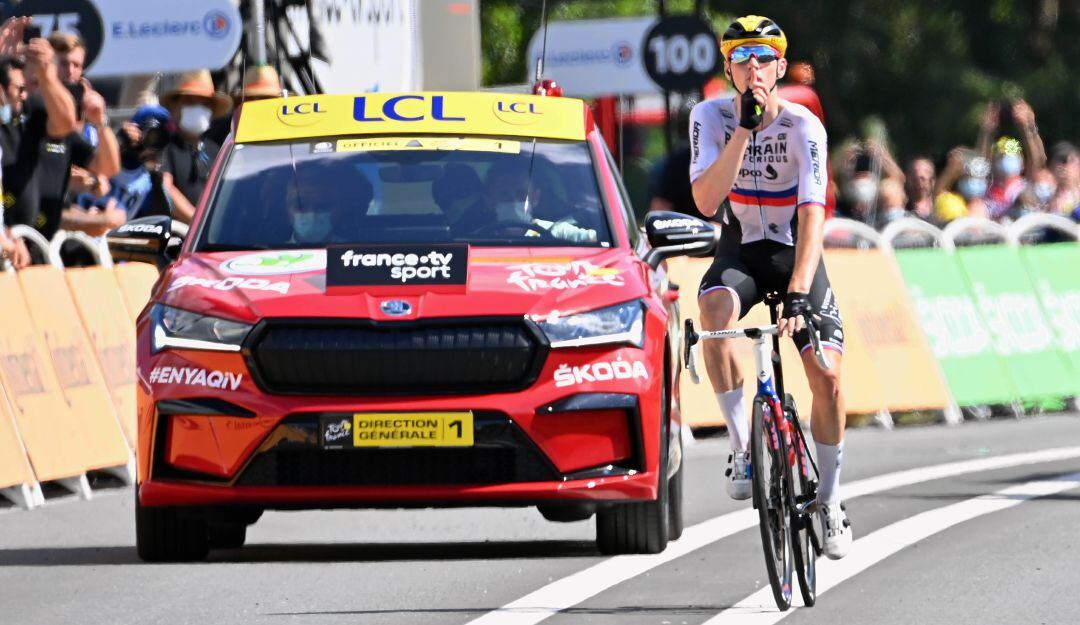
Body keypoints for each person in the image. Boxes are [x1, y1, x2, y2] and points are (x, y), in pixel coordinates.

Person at [689, 15, 851, 559]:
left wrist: (801, 292)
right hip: (741, 254)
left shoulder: (806, 128)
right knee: (712, 309)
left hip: (793, 255)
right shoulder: (708, 118)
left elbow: (812, 216)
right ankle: (741, 445)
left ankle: (828, 500)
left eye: (763, 59)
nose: (752, 68)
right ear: (729, 68)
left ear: (781, 67)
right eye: (741, 58)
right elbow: (708, 203)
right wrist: (742, 129)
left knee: (825, 375)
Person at [0, 37, 78, 235]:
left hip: (29, 245)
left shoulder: (28, 115)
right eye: (19, 89)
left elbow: (66, 122)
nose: (24, 95)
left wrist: (47, 73)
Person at [159, 70, 232, 224]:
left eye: (204, 104)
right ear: (174, 106)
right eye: (190, 102)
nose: (198, 109)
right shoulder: (164, 146)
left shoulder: (216, 150)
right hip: (178, 233)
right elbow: (166, 187)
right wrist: (198, 223)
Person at [904, 156, 936, 221]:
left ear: (932, 181)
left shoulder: (941, 208)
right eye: (914, 178)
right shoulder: (902, 209)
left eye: (923, 179)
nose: (919, 183)